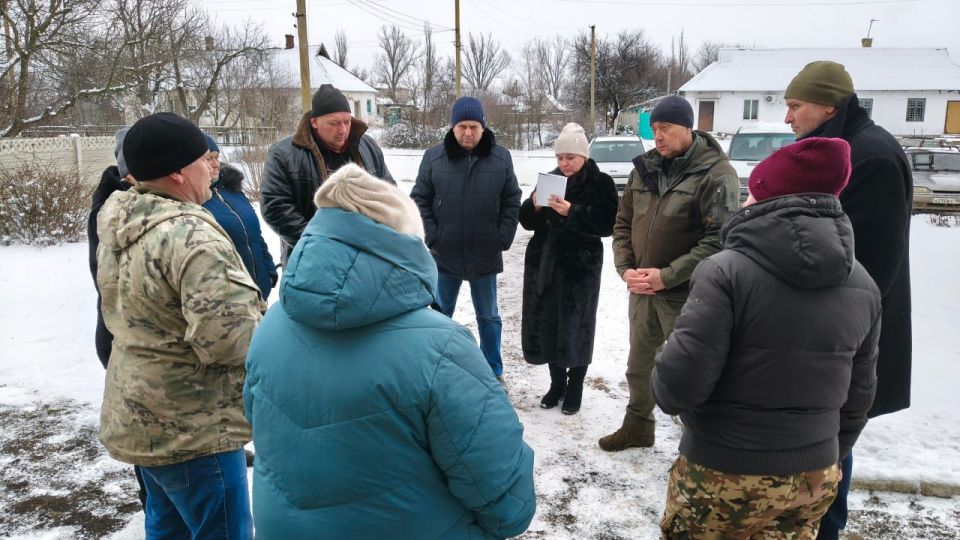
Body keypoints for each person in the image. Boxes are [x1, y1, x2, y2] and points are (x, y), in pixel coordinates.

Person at [244, 163, 537, 539]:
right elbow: (508, 504)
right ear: (404, 243)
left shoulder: (271, 324)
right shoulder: (440, 348)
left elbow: (255, 419)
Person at [652, 137, 881, 539]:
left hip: (725, 470)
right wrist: (823, 451)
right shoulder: (863, 283)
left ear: (764, 195)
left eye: (752, 189)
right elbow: (859, 395)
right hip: (815, 474)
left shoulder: (724, 272)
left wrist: (661, 369)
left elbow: (678, 386)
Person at [96, 112, 264, 539]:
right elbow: (229, 340)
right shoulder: (190, 236)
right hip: (194, 426)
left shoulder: (120, 219)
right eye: (203, 160)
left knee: (167, 528)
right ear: (176, 172)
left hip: (140, 412)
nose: (213, 168)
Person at [783, 61, 913, 540]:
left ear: (828, 105)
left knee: (830, 448)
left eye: (795, 106)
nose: (788, 118)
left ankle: (824, 532)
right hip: (829, 334)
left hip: (845, 339)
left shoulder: (870, 156)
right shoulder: (843, 148)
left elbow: (872, 267)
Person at [599, 95, 740, 452]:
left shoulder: (716, 174)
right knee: (639, 367)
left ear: (688, 129)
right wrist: (626, 269)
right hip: (643, 292)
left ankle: (702, 444)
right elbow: (622, 224)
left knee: (691, 373)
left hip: (688, 295)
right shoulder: (643, 169)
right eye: (655, 129)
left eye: (666, 129)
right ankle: (638, 427)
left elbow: (719, 241)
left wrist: (667, 275)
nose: (658, 136)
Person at [410, 96, 522, 381]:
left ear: (483, 126)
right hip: (444, 255)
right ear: (453, 127)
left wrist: (502, 237)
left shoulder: (501, 158)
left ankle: (492, 372)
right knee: (438, 316)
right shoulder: (433, 158)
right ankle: (432, 371)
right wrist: (433, 236)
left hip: (485, 254)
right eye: (462, 127)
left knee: (489, 318)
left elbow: (512, 199)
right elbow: (419, 200)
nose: (468, 133)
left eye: (473, 126)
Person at [519, 123, 618, 415]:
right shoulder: (549, 179)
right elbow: (527, 222)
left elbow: (607, 223)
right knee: (549, 321)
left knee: (577, 326)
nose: (564, 163)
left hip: (580, 265)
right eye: (560, 157)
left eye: (570, 158)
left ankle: (575, 386)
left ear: (584, 156)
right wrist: (534, 206)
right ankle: (556, 384)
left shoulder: (600, 183)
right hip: (545, 263)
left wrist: (571, 212)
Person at [261, 84, 393, 264]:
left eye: (347, 121)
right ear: (314, 122)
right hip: (312, 261)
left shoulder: (367, 146)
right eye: (334, 123)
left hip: (365, 259)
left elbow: (389, 192)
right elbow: (275, 208)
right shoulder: (283, 154)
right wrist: (322, 245)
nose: (343, 130)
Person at [86, 126, 148, 510]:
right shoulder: (118, 209)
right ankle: (152, 498)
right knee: (147, 428)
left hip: (121, 336)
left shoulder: (130, 200)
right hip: (124, 338)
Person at [201, 134, 278, 301]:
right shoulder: (197, 201)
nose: (215, 164)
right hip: (231, 299)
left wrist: (269, 269)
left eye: (217, 157)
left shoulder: (232, 189)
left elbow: (256, 235)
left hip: (259, 288)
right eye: (208, 159)